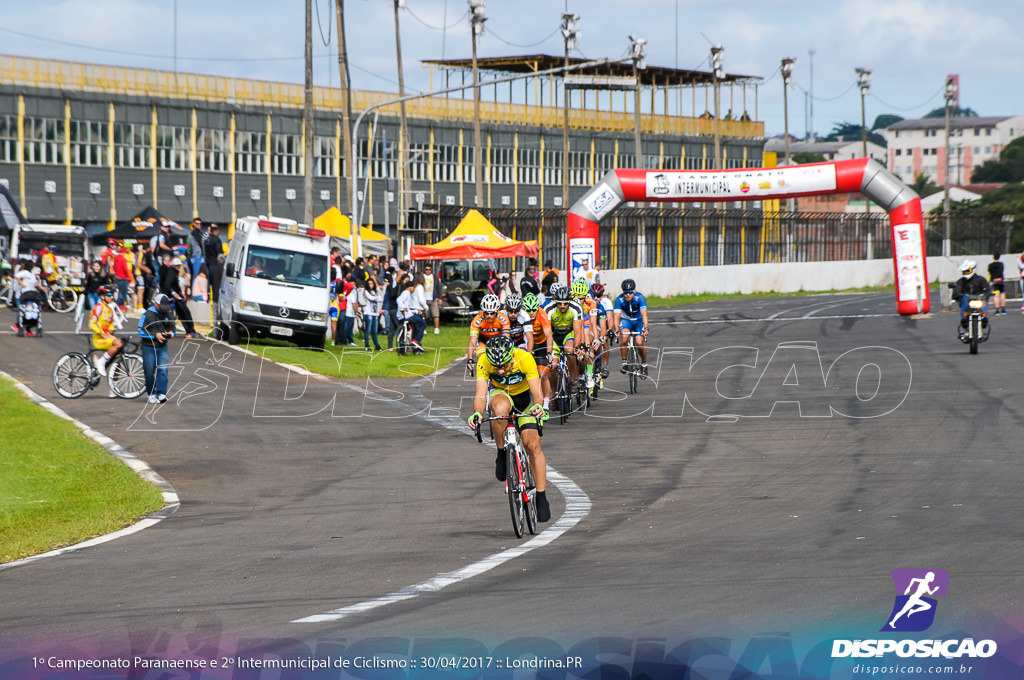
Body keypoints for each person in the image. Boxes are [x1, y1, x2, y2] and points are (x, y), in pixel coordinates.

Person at [467, 335, 551, 523]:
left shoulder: (524, 358)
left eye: (505, 365)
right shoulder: (484, 361)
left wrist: (538, 405)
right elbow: (480, 395)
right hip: (501, 394)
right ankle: (501, 452)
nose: (501, 371)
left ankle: (541, 495)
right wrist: (477, 413)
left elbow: (537, 393)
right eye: (497, 367)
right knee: (499, 410)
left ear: (512, 356)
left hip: (524, 398)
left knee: (532, 445)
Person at [138, 293, 176, 404]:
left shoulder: (168, 313)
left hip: (162, 346)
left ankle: (161, 393)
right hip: (148, 347)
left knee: (163, 370)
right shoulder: (147, 314)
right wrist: (155, 335)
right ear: (155, 304)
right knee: (149, 371)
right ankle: (151, 393)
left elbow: (172, 328)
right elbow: (140, 330)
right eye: (161, 307)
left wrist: (171, 333)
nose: (164, 309)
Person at [89, 284, 123, 396]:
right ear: (102, 296)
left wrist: (112, 330)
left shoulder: (109, 309)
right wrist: (101, 334)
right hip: (99, 339)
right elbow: (92, 323)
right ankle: (101, 362)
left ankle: (113, 389)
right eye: (109, 295)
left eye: (112, 295)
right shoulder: (98, 307)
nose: (111, 297)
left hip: (107, 339)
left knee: (119, 360)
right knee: (118, 343)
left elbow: (110, 325)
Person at [613, 278, 650, 377]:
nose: (628, 295)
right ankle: (624, 362)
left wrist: (646, 328)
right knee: (624, 336)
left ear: (634, 291)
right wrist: (616, 329)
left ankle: (644, 364)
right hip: (626, 320)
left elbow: (644, 315)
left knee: (639, 342)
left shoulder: (640, 298)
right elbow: (616, 316)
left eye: (630, 292)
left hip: (638, 320)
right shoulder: (619, 299)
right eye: (625, 293)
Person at [159, 255, 197, 337]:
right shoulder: (172, 273)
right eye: (177, 265)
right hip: (176, 297)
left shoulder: (174, 272)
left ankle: (191, 330)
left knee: (184, 313)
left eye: (179, 265)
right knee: (184, 313)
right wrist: (174, 293)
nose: (179, 267)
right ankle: (189, 331)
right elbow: (167, 285)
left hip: (177, 296)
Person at [466, 293, 511, 363]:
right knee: (483, 360)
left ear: (496, 311)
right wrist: (470, 359)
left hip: (498, 341)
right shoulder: (476, 320)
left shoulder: (504, 319)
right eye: (486, 313)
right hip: (483, 341)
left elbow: (506, 339)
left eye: (492, 313)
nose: (489, 316)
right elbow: (472, 341)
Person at [950, 259, 991, 334]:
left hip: (979, 303)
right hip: (967, 304)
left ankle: (985, 317)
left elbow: (987, 289)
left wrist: (987, 293)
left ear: (973, 270)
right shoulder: (961, 281)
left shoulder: (981, 280)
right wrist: (957, 293)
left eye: (967, 271)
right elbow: (956, 291)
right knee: (965, 297)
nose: (965, 273)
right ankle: (964, 318)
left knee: (983, 298)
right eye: (964, 271)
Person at [396, 276, 426, 354]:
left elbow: (409, 309)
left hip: (408, 314)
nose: (414, 290)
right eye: (413, 288)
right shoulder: (406, 293)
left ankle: (409, 349)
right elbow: (398, 300)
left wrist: (416, 311)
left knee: (415, 325)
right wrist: (403, 307)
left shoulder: (407, 294)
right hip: (407, 316)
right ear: (410, 287)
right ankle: (416, 340)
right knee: (423, 324)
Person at [358, 276, 383, 351]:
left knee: (374, 331)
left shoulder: (375, 291)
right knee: (368, 330)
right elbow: (371, 298)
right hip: (368, 313)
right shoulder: (366, 291)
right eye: (369, 283)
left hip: (375, 313)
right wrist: (376, 297)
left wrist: (376, 297)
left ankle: (377, 345)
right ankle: (366, 345)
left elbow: (381, 299)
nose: (370, 285)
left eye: (372, 283)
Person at [422, 263, 443, 335]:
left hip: (433, 298)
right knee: (424, 315)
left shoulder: (434, 277)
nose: (428, 271)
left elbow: (439, 287)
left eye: (429, 269)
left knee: (435, 314)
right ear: (424, 270)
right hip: (424, 299)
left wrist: (440, 298)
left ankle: (436, 328)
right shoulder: (422, 277)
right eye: (426, 269)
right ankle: (423, 328)